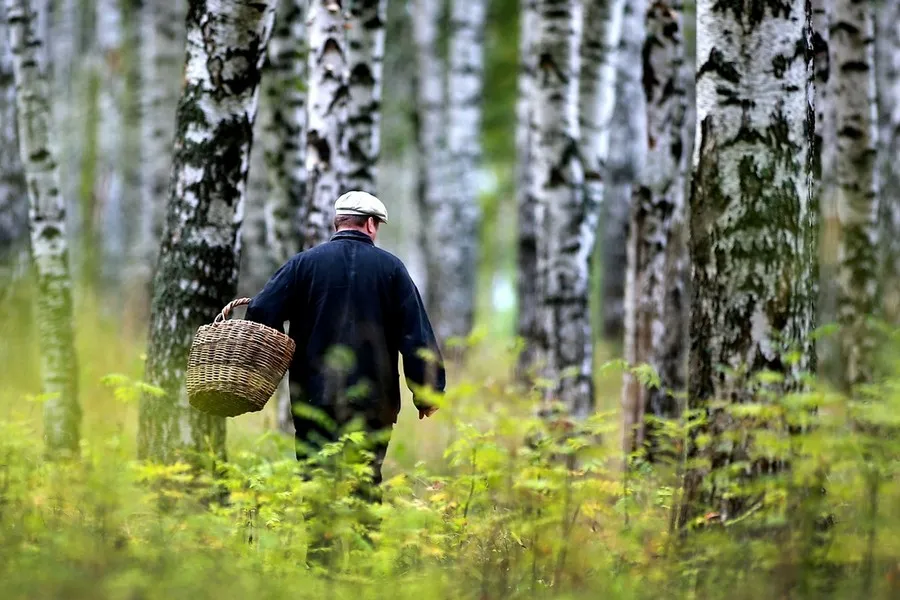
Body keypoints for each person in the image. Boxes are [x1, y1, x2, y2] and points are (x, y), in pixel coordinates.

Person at [245, 191, 445, 496]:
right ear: (370, 225)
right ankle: (362, 541)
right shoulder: (392, 269)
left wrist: (275, 356)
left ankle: (320, 544)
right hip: (374, 403)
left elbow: (260, 310)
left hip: (313, 398)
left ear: (337, 223)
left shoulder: (303, 265)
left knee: (316, 485)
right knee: (364, 485)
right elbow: (415, 335)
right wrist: (427, 392)